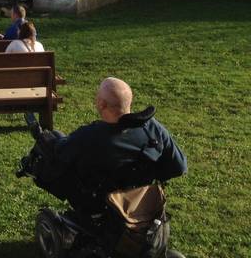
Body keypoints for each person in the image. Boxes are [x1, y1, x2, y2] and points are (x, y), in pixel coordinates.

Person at [53, 78, 187, 215]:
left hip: (100, 207)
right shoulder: (152, 128)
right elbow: (179, 167)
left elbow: (59, 153)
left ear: (102, 104)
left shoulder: (88, 136)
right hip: (142, 204)